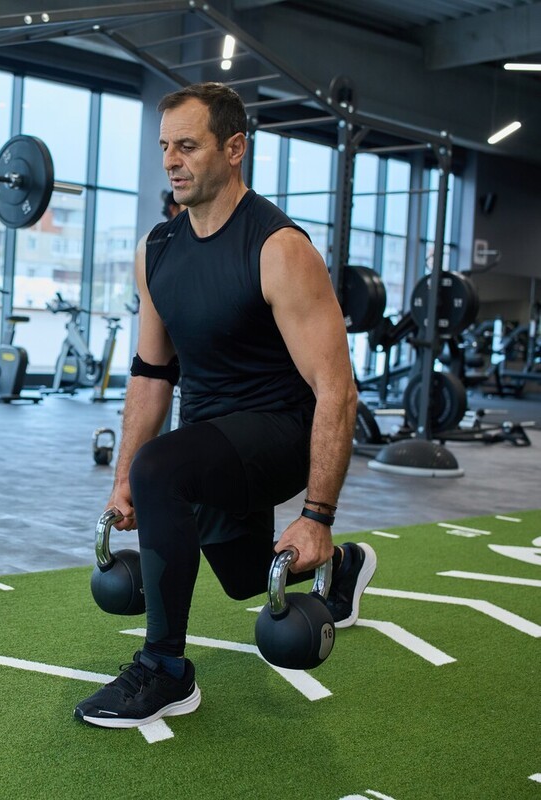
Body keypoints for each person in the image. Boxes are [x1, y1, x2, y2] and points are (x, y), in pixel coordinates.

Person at [74, 82, 375, 729]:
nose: (171, 161)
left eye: (188, 146)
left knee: (164, 469)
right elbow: (152, 373)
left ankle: (165, 671)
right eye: (164, 148)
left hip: (281, 432)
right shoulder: (157, 252)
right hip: (213, 436)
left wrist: (317, 515)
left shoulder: (278, 249)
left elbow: (337, 390)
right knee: (244, 578)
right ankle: (345, 570)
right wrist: (123, 478)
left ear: (234, 148)